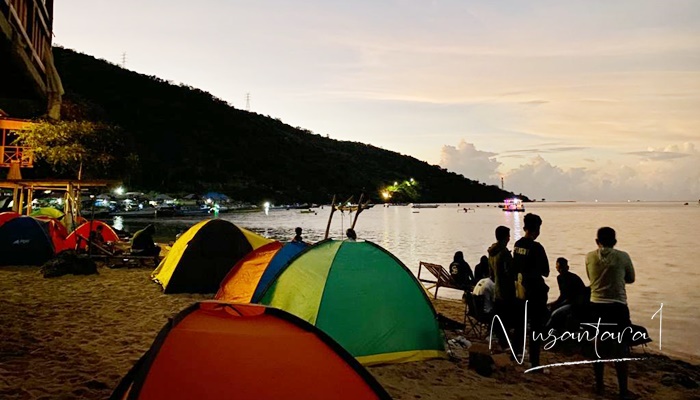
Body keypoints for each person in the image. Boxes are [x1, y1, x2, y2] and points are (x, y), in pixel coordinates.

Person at [586, 227, 635, 399]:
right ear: (615, 241)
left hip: (596, 304)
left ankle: (599, 385)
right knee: (621, 347)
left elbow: (590, 278)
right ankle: (622, 390)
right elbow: (631, 278)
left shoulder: (590, 256)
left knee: (598, 345)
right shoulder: (623, 256)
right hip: (617, 305)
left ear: (596, 241)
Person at [512, 213, 549, 368]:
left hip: (520, 289)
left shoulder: (517, 245)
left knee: (520, 324)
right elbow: (546, 271)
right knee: (535, 327)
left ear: (524, 227)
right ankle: (534, 361)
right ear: (537, 229)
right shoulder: (537, 247)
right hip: (535, 291)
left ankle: (516, 353)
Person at [487, 225, 515, 352]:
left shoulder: (492, 252)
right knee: (506, 319)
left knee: (499, 317)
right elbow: (510, 272)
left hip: (496, 290)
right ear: (505, 237)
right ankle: (505, 343)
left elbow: (491, 274)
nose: (509, 238)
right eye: (508, 236)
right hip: (506, 290)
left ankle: (501, 341)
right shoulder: (504, 253)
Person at [547, 257, 586, 331]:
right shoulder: (560, 278)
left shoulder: (572, 278)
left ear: (567, 267)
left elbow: (567, 297)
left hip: (575, 304)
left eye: (562, 267)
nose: (560, 270)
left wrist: (556, 304)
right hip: (569, 301)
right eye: (559, 267)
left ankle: (547, 329)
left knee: (554, 312)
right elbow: (563, 295)